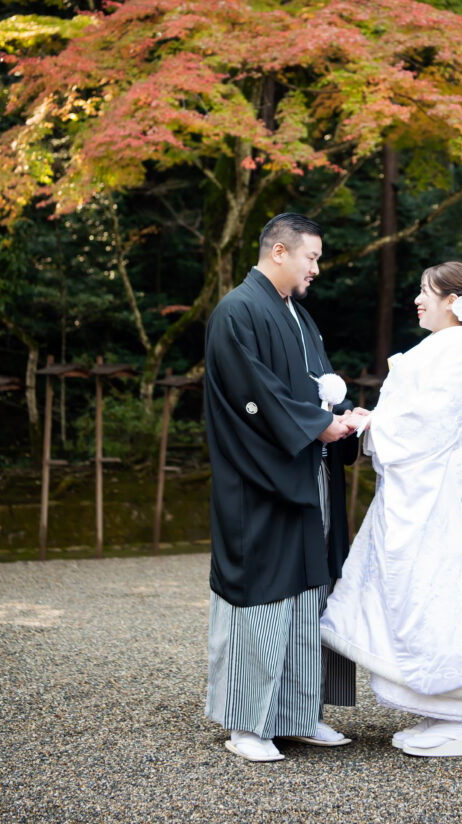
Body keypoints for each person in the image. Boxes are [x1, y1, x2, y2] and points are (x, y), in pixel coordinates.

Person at [320, 261, 462, 758]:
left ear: (453, 301)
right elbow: (422, 420)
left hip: (427, 498)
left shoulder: (453, 355)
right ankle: (440, 712)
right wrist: (374, 420)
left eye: (426, 291)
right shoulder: (454, 354)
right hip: (425, 494)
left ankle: (452, 719)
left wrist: (371, 426)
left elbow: (428, 429)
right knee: (418, 592)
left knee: (424, 595)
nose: (418, 300)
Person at [204, 213, 363, 762]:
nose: (315, 268)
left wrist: (342, 416)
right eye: (311, 257)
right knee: (263, 594)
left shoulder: (298, 315)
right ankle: (246, 724)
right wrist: (318, 425)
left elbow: (321, 387)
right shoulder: (237, 312)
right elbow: (256, 394)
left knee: (308, 594)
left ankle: (299, 714)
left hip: (305, 470)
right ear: (279, 251)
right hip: (259, 478)